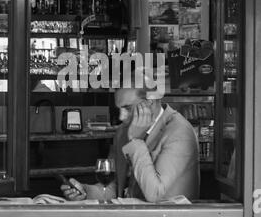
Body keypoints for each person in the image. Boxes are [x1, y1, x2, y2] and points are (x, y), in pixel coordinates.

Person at [60, 82, 200, 203]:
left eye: (127, 108)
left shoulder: (179, 132)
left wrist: (135, 141)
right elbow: (115, 188)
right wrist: (85, 192)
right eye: (119, 109)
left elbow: (155, 195)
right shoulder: (123, 131)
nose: (121, 117)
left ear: (149, 102)